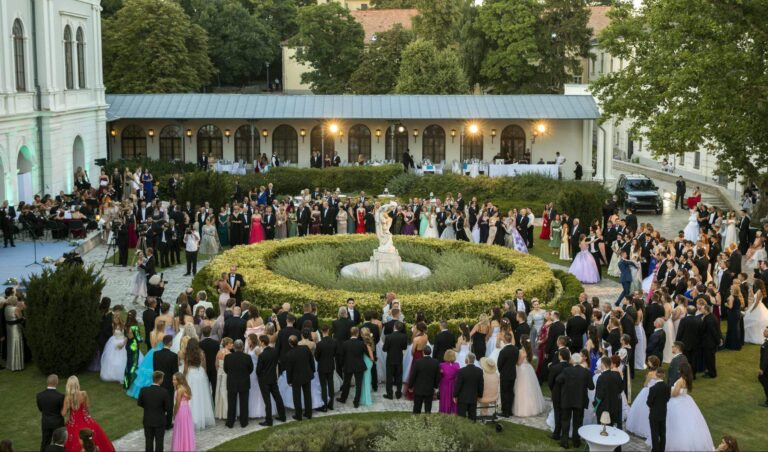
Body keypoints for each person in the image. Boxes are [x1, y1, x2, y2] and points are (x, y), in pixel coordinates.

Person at [664, 362, 715, 451]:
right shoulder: (688, 379)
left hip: (677, 402)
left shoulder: (680, 380)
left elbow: (675, 393)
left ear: (682, 370)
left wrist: (667, 393)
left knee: (675, 422)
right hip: (685, 400)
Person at [62, 377, 114, 452]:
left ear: (68, 385)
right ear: (77, 384)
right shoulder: (83, 394)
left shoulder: (67, 398)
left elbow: (63, 413)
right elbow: (86, 407)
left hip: (73, 424)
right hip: (86, 420)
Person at [556, 353, 594, 449]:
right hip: (580, 400)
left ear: (572, 360)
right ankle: (576, 442)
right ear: (580, 360)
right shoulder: (585, 372)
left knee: (565, 421)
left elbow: (558, 380)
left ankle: (564, 442)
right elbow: (591, 387)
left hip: (567, 399)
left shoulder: (566, 370)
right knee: (578, 422)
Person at [255, 335, 286, 426]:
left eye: (259, 341)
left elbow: (258, 370)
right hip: (273, 378)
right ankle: (282, 416)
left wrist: (260, 376)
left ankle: (269, 421)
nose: (259, 343)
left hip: (264, 380)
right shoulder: (274, 351)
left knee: (267, 401)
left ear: (262, 342)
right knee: (278, 397)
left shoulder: (262, 355)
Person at [137, 371, 171, 452]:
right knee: (159, 442)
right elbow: (168, 407)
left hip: (147, 420)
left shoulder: (143, 390)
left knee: (148, 442)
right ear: (160, 379)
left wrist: (148, 408)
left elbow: (139, 403)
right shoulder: (164, 392)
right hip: (160, 421)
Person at [224, 339, 254, 428]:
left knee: (231, 403)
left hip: (231, 382)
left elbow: (226, 369)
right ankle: (244, 422)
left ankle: (230, 422)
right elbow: (251, 369)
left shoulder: (228, 357)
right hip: (244, 382)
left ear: (234, 347)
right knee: (244, 403)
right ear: (242, 347)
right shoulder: (247, 357)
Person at [513, 335, 545, 417]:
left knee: (521, 388)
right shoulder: (529, 350)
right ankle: (533, 407)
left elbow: (519, 363)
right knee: (530, 387)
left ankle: (523, 409)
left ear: (521, 342)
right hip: (528, 369)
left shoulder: (521, 351)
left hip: (522, 370)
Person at [285, 335, 315, 421]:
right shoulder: (305, 348)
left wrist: (289, 380)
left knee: (297, 397)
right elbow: (311, 360)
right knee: (307, 394)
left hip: (296, 378)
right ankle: (308, 413)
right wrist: (313, 370)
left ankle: (298, 415)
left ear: (290, 344)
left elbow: (289, 370)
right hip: (307, 375)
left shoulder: (289, 354)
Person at [152, 335, 179, 429]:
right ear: (170, 342)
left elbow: (155, 369)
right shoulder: (173, 356)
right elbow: (175, 372)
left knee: (158, 402)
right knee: (169, 403)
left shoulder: (155, 354)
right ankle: (168, 424)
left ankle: (159, 421)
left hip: (158, 382)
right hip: (169, 384)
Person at [337, 327, 367, 408]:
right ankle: (356, 402)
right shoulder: (361, 343)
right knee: (359, 384)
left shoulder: (345, 343)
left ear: (351, 333)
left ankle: (343, 398)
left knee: (346, 383)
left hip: (348, 365)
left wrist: (342, 365)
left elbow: (341, 356)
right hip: (359, 366)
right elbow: (367, 353)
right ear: (357, 333)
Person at [594, 355, 624, 431]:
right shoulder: (617, 374)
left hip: (603, 408)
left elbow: (599, 395)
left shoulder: (601, 377)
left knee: (602, 428)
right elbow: (621, 389)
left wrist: (595, 406)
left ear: (603, 364)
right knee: (610, 428)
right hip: (614, 406)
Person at [37, 375, 65, 452]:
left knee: (45, 442)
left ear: (47, 382)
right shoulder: (60, 396)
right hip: (58, 423)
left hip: (46, 422)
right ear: (57, 382)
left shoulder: (39, 395)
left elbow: (40, 409)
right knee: (59, 443)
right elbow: (62, 410)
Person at [646, 367, 671, 452]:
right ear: (664, 375)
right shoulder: (667, 387)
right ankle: (662, 449)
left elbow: (649, 402)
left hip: (654, 414)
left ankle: (655, 449)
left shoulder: (653, 388)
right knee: (662, 433)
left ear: (656, 375)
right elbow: (667, 398)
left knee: (654, 434)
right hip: (663, 412)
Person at [314, 325, 338, 411]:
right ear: (328, 330)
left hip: (322, 367)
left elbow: (316, 357)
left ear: (321, 331)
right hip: (331, 365)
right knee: (331, 385)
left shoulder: (320, 344)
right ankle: (331, 405)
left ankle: (324, 406)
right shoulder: (334, 342)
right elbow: (335, 353)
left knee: (323, 386)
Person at [410, 345, 440, 414]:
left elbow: (413, 375)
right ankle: (427, 419)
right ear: (430, 352)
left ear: (423, 352)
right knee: (428, 408)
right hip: (429, 388)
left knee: (417, 408)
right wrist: (435, 387)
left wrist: (410, 386)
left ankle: (416, 418)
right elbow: (437, 376)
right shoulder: (435, 362)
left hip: (418, 388)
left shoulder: (418, 362)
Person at [454, 353, 484, 421]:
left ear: (467, 360)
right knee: (472, 417)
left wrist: (455, 395)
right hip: (473, 397)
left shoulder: (461, 371)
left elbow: (458, 385)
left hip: (462, 398)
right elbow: (481, 385)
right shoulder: (479, 371)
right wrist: (480, 395)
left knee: (461, 418)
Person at [171, 372, 195, 452]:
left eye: (174, 380)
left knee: (180, 429)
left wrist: (174, 413)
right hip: (186, 409)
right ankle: (186, 447)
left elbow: (177, 403)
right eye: (173, 379)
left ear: (179, 380)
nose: (173, 381)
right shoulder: (185, 387)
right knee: (185, 429)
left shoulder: (179, 390)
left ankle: (180, 448)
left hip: (181, 410)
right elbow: (189, 398)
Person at [383, 321, 407, 400]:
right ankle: (398, 393)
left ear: (394, 327)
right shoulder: (404, 336)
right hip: (399, 358)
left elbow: (384, 349)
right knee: (399, 376)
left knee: (389, 377)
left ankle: (389, 394)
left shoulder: (388, 337)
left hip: (390, 359)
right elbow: (404, 347)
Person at [496, 332, 519, 417]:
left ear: (505, 340)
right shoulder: (516, 349)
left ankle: (505, 412)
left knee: (504, 393)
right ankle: (509, 410)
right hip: (513, 373)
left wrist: (501, 371)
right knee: (510, 392)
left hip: (505, 374)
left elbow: (499, 364)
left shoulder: (503, 351)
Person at [438, 349, 460, 414]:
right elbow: (458, 375)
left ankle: (444, 411)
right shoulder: (457, 365)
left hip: (444, 384)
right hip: (453, 384)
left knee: (444, 398)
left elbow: (439, 376)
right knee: (453, 398)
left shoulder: (441, 365)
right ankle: (454, 412)